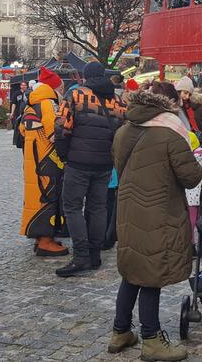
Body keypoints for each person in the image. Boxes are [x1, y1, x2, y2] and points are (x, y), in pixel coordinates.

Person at [108, 81, 202, 361]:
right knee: (151, 274)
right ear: (169, 106)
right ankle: (151, 340)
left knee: (133, 270)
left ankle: (120, 331)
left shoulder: (123, 130)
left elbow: (120, 166)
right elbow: (192, 177)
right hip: (159, 213)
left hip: (129, 210)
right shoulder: (172, 135)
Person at [54, 61, 126, 277]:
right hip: (105, 163)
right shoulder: (117, 101)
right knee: (98, 207)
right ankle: (95, 254)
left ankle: (81, 256)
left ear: (84, 77)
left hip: (78, 162)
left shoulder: (75, 95)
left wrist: (65, 154)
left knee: (73, 207)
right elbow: (122, 132)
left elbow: (61, 127)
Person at [19, 66, 70, 258]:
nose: (63, 90)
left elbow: (23, 131)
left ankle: (40, 237)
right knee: (48, 197)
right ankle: (46, 241)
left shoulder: (33, 104)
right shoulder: (49, 104)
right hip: (48, 160)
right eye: (61, 86)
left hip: (34, 160)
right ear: (54, 87)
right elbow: (55, 133)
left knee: (35, 197)